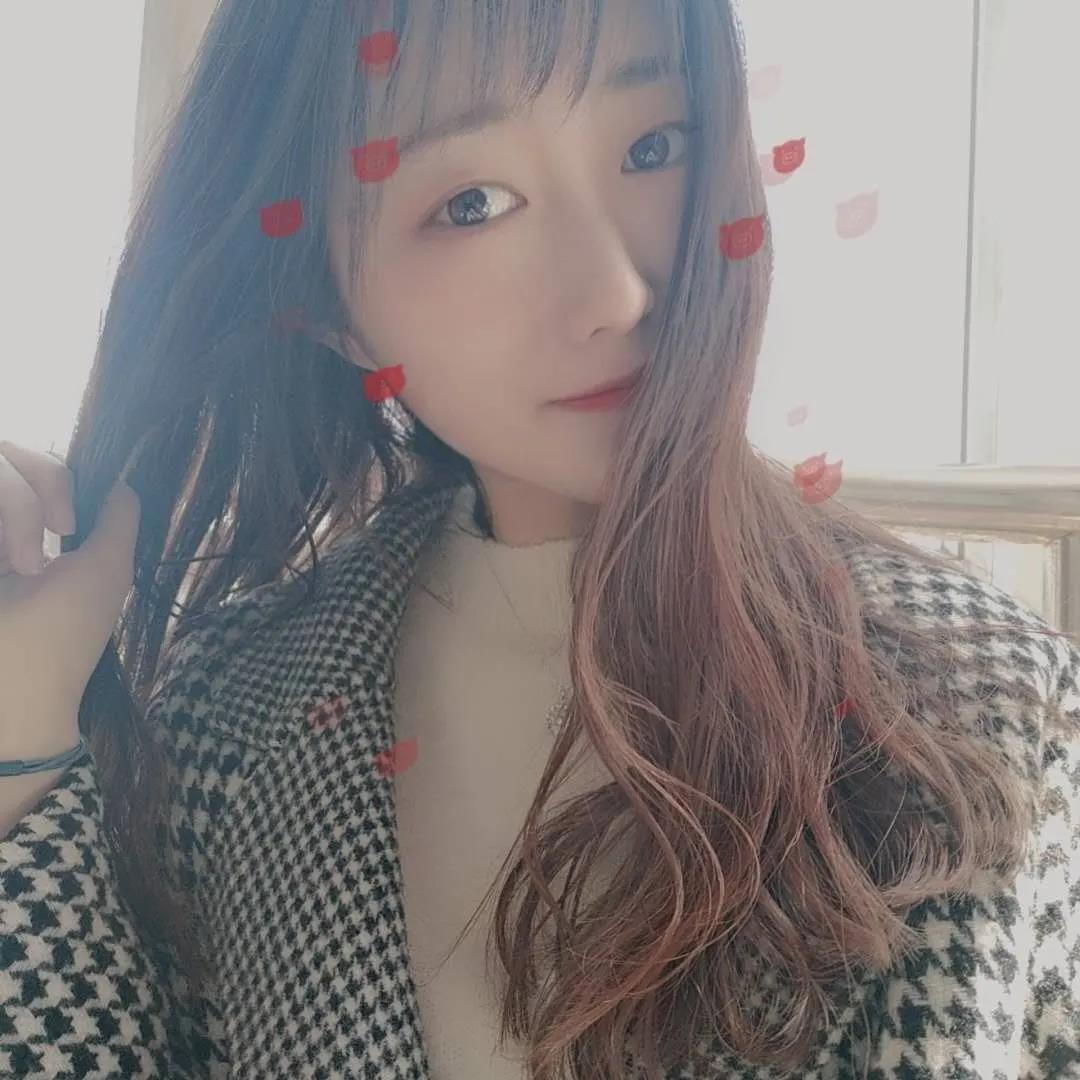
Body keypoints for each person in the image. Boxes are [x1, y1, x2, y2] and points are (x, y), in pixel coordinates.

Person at [1, 1, 1078, 1077]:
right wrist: (22, 740)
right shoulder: (226, 717)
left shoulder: (987, 699)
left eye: (654, 147)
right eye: (471, 203)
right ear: (326, 309)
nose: (617, 292)